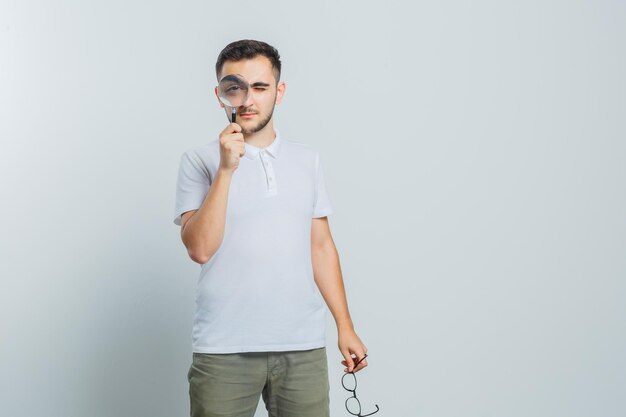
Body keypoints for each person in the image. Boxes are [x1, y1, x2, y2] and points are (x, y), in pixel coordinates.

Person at [173, 39, 368, 417]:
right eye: (236, 87)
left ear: (278, 92)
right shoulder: (198, 160)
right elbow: (199, 248)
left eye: (260, 87)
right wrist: (226, 168)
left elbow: (322, 247)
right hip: (224, 348)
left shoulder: (306, 160)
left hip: (302, 347)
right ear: (220, 94)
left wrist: (345, 326)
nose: (247, 99)